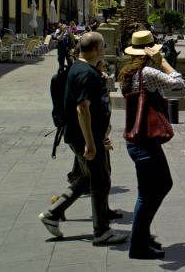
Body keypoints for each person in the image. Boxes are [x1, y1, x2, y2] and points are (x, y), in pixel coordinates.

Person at [39, 32, 126, 246]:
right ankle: (102, 232)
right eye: (103, 46)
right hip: (85, 138)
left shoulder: (77, 68)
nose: (105, 50)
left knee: (87, 179)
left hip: (82, 136)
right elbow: (83, 110)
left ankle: (52, 213)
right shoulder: (87, 73)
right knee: (100, 181)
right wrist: (90, 142)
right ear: (96, 48)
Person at [120, 30, 184, 260]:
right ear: (150, 51)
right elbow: (178, 84)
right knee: (147, 194)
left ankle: (142, 233)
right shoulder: (147, 72)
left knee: (161, 185)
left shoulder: (127, 73)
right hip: (145, 141)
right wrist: (163, 61)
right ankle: (138, 244)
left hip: (139, 140)